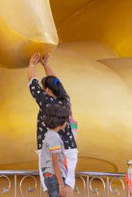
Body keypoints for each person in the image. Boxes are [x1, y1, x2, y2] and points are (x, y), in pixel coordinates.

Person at [28, 53, 78, 197]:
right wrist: (45, 65)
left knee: (50, 190)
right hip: (70, 148)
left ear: (48, 91)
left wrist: (32, 65)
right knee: (67, 188)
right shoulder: (65, 99)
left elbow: (32, 83)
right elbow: (56, 82)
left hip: (50, 151)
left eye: (45, 88)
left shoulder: (46, 101)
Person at [40, 104, 70, 197]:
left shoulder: (50, 134)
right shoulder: (54, 137)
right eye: (66, 120)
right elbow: (55, 162)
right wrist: (61, 184)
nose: (67, 123)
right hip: (54, 177)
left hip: (51, 176)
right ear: (61, 121)